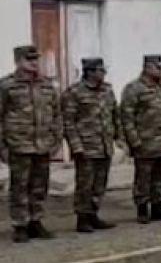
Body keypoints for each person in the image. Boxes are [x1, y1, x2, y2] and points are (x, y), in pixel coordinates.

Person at [1, 45, 62, 242]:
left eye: (36, 59)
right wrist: (2, 146)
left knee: (39, 186)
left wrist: (56, 140)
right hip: (19, 144)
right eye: (30, 60)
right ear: (18, 61)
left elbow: (56, 114)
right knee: (19, 187)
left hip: (42, 144)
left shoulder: (46, 85)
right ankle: (20, 225)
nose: (35, 63)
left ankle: (36, 221)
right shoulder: (7, 86)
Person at [121, 54, 161, 224]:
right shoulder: (134, 88)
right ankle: (142, 208)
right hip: (146, 141)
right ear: (147, 68)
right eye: (157, 67)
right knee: (144, 177)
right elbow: (127, 117)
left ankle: (158, 206)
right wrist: (134, 141)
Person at [62, 57, 121, 233]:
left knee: (99, 184)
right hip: (86, 146)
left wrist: (118, 136)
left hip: (104, 145)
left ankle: (94, 214)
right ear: (89, 72)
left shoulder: (107, 90)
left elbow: (114, 114)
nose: (103, 73)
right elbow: (68, 122)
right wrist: (76, 146)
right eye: (100, 70)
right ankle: (83, 218)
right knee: (85, 184)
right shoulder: (74, 92)